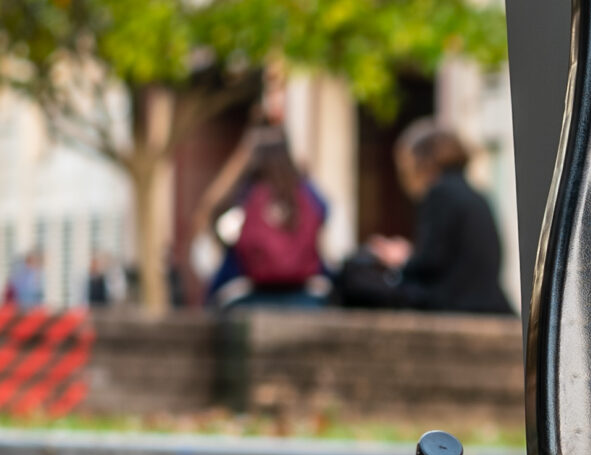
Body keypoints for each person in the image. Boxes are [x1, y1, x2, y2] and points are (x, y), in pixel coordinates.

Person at [333, 122, 514, 315]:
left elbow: (429, 264)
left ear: (422, 161)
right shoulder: (474, 193)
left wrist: (400, 257)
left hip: (455, 303)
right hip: (484, 300)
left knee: (357, 277)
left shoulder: (439, 193)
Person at [196, 115, 330, 308]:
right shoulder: (304, 189)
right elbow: (325, 211)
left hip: (246, 295)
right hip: (306, 295)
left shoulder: (245, 190)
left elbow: (219, 225)